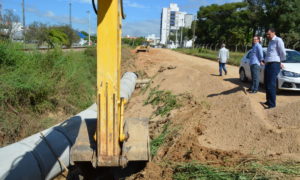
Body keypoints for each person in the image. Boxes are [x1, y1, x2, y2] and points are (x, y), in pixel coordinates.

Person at [262, 28, 286, 109]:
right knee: (266, 83)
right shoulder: (270, 42)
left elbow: (282, 52)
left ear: (273, 33)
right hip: (268, 64)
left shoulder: (278, 40)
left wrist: (281, 62)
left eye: (269, 34)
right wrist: (264, 61)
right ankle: (268, 101)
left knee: (271, 84)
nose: (267, 36)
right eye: (267, 34)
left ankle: (272, 104)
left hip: (274, 64)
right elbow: (269, 54)